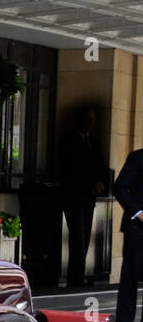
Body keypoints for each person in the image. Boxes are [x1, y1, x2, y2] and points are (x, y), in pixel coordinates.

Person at [57, 107, 111, 288]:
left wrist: (101, 183)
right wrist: (91, 183)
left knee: (86, 234)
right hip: (73, 196)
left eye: (93, 120)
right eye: (88, 119)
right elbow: (71, 170)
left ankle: (78, 275)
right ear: (79, 121)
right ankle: (75, 277)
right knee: (77, 236)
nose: (91, 124)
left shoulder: (94, 142)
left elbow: (100, 166)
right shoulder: (68, 142)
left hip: (89, 197)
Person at [114, 147, 143, 322]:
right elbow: (119, 188)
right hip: (137, 229)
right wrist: (138, 213)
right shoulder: (138, 158)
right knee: (130, 277)